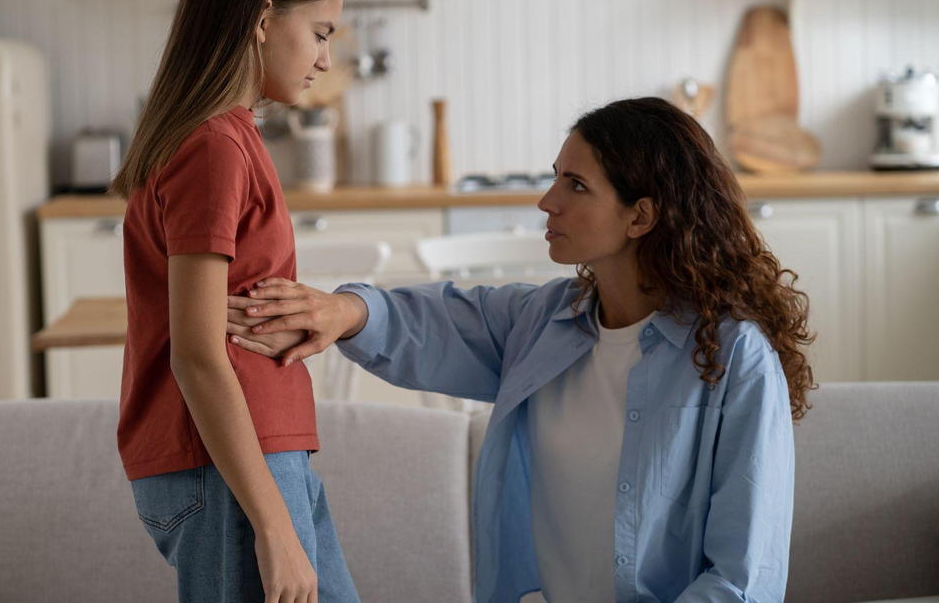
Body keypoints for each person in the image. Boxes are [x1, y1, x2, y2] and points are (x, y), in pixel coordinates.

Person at [227, 97, 815, 603]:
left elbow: (744, 579)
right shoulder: (544, 323)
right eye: (556, 175)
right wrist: (342, 310)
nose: (547, 201)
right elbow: (439, 318)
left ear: (640, 216)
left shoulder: (736, 357)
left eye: (575, 185)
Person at [107, 0, 360, 603]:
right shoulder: (214, 147)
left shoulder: (230, 140)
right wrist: (273, 527)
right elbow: (194, 352)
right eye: (320, 33)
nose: (324, 60)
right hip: (230, 465)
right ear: (260, 18)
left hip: (260, 452)